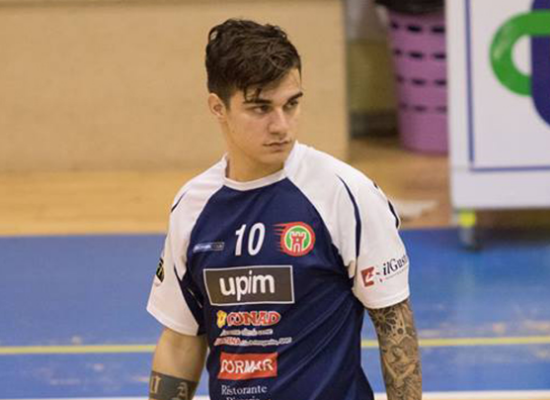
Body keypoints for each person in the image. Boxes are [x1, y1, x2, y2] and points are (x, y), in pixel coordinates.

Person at [147, 18, 422, 400]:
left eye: (291, 104)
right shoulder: (192, 206)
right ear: (218, 107)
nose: (282, 126)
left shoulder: (345, 193)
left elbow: (394, 325)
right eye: (260, 108)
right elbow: (181, 340)